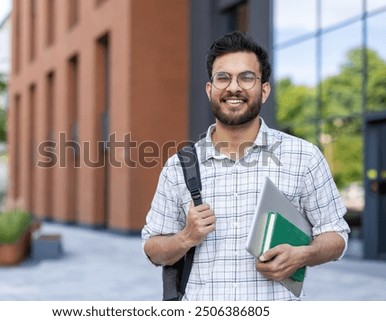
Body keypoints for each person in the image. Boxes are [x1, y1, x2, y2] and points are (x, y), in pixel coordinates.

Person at [141, 31, 350, 300]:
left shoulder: (304, 157)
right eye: (223, 78)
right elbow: (152, 248)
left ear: (264, 90)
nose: (234, 87)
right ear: (210, 90)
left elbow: (337, 235)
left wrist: (304, 254)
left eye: (246, 77)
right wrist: (186, 237)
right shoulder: (179, 167)